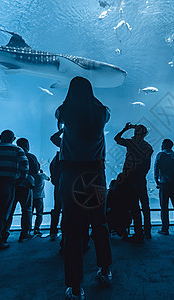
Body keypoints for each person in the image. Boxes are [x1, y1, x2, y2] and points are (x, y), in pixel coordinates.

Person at [55, 77, 112, 300]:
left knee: (72, 228)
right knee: (99, 222)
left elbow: (59, 120)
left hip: (70, 174)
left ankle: (75, 287)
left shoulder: (63, 111)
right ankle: (105, 270)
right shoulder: (102, 112)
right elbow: (103, 113)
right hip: (95, 174)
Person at [114, 122, 153, 240]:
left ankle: (138, 233)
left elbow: (117, 138)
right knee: (145, 206)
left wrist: (125, 129)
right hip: (141, 179)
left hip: (130, 179)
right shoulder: (148, 147)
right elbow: (147, 165)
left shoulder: (130, 143)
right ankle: (147, 231)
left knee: (134, 207)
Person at [2, 137, 39, 242]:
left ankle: (4, 234)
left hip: (13, 185)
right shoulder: (30, 156)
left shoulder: (13, 155)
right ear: (27, 146)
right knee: (27, 209)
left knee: (9, 210)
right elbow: (35, 170)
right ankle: (25, 233)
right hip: (26, 185)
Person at [154, 139, 174, 235]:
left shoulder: (160, 155)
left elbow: (156, 167)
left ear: (165, 144)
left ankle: (165, 228)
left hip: (163, 183)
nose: (161, 145)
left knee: (164, 207)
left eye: (162, 144)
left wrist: (156, 180)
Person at [33, 169, 50, 236]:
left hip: (32, 197)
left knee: (29, 214)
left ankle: (27, 230)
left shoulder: (32, 176)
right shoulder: (42, 175)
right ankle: (36, 229)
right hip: (39, 197)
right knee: (39, 214)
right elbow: (48, 179)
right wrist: (42, 172)